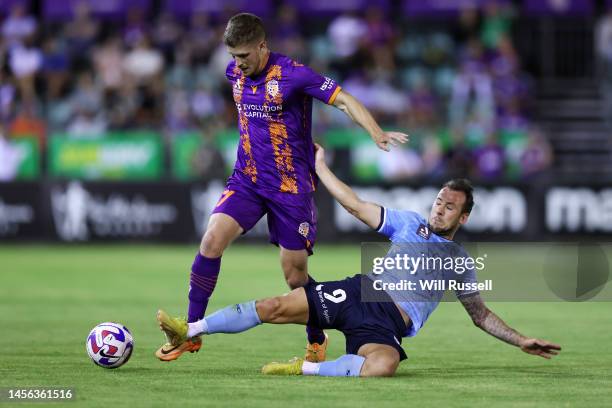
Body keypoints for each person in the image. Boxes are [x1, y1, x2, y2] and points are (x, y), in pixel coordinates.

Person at [156, 144, 561, 377]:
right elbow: (354, 205)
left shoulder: (459, 262)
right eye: (439, 200)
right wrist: (320, 168)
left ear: (464, 217)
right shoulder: (408, 224)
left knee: (383, 366)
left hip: (388, 324)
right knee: (275, 306)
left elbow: (481, 315)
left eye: (450, 206)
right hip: (360, 293)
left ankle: (304, 369)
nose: (440, 209)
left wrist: (521, 339)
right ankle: (189, 328)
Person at [155, 13, 408, 362]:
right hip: (247, 179)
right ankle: (192, 330)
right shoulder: (233, 73)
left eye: (244, 56)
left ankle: (316, 339)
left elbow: (345, 99)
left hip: (291, 189)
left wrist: (375, 131)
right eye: (233, 57)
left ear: (262, 46)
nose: (238, 64)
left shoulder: (293, 74)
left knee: (294, 277)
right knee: (211, 240)